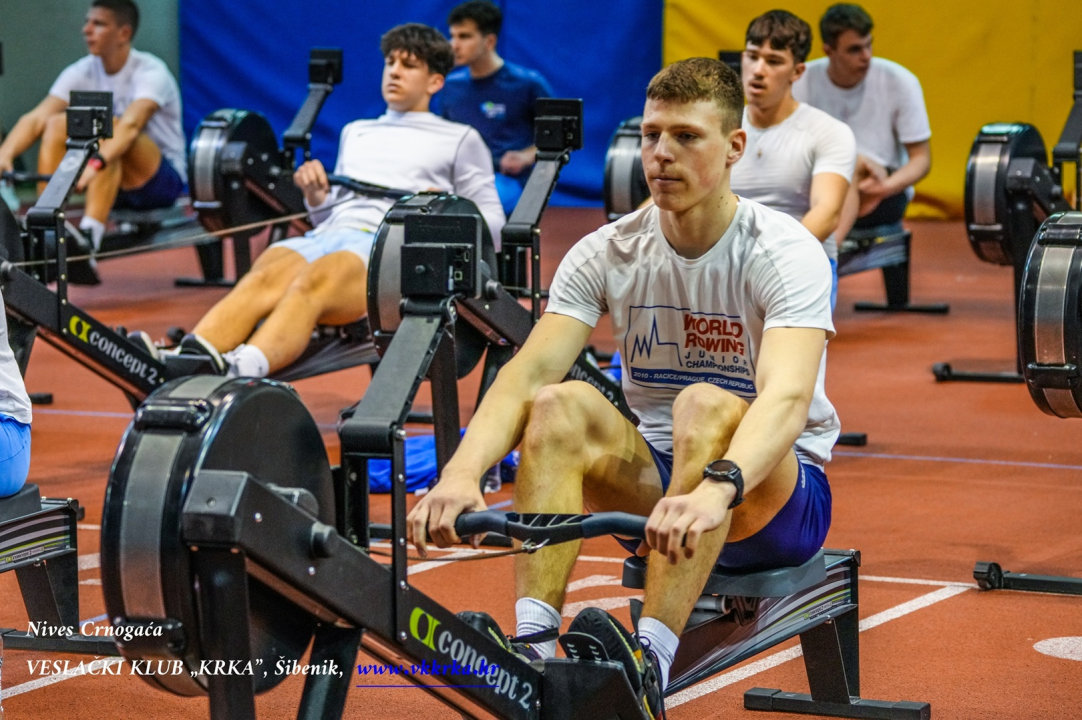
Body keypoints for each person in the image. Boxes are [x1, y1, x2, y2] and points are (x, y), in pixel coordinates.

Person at [408, 57, 836, 717]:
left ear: (734, 148)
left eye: (687, 136)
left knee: (704, 401)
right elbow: (526, 373)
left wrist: (716, 489)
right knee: (559, 406)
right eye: (651, 134)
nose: (660, 154)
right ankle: (532, 656)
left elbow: (786, 399)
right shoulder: (609, 250)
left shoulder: (782, 250)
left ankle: (650, 668)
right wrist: (461, 474)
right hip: (659, 495)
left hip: (770, 499)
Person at [139, 23, 504, 379]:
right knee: (264, 271)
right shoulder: (357, 132)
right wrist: (316, 196)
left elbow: (491, 222)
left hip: (387, 249)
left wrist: (442, 213)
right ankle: (188, 358)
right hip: (333, 235)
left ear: (435, 82)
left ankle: (239, 370)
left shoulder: (460, 138)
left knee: (312, 281)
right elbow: (330, 215)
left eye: (408, 66)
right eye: (390, 62)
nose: (394, 72)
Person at [0, 0, 185, 283]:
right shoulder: (82, 70)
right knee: (55, 122)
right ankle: (48, 228)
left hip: (158, 182)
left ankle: (90, 237)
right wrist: (6, 152)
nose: (86, 30)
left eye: (98, 24)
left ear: (123, 33)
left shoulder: (151, 72)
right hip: (108, 179)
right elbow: (37, 118)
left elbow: (133, 125)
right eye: (87, 22)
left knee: (112, 128)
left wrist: (95, 162)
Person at [731, 10, 855, 310]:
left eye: (773, 61)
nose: (758, 70)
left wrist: (762, 262)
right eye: (752, 56)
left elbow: (826, 214)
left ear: (797, 72)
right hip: (725, 262)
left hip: (799, 263)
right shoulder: (719, 126)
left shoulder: (829, 132)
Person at [793, 3, 932, 238]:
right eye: (855, 49)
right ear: (829, 51)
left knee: (852, 166)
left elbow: (922, 159)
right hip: (821, 182)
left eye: (869, 45)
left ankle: (825, 260)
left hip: (883, 192)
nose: (866, 56)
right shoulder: (802, 81)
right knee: (848, 164)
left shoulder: (900, 81)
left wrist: (883, 188)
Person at [439, 0, 554, 214]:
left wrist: (526, 156)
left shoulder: (527, 83)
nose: (454, 45)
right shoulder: (451, 87)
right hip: (458, 178)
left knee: (471, 211)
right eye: (452, 36)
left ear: (490, 41)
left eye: (464, 36)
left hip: (506, 180)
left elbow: (558, 141)